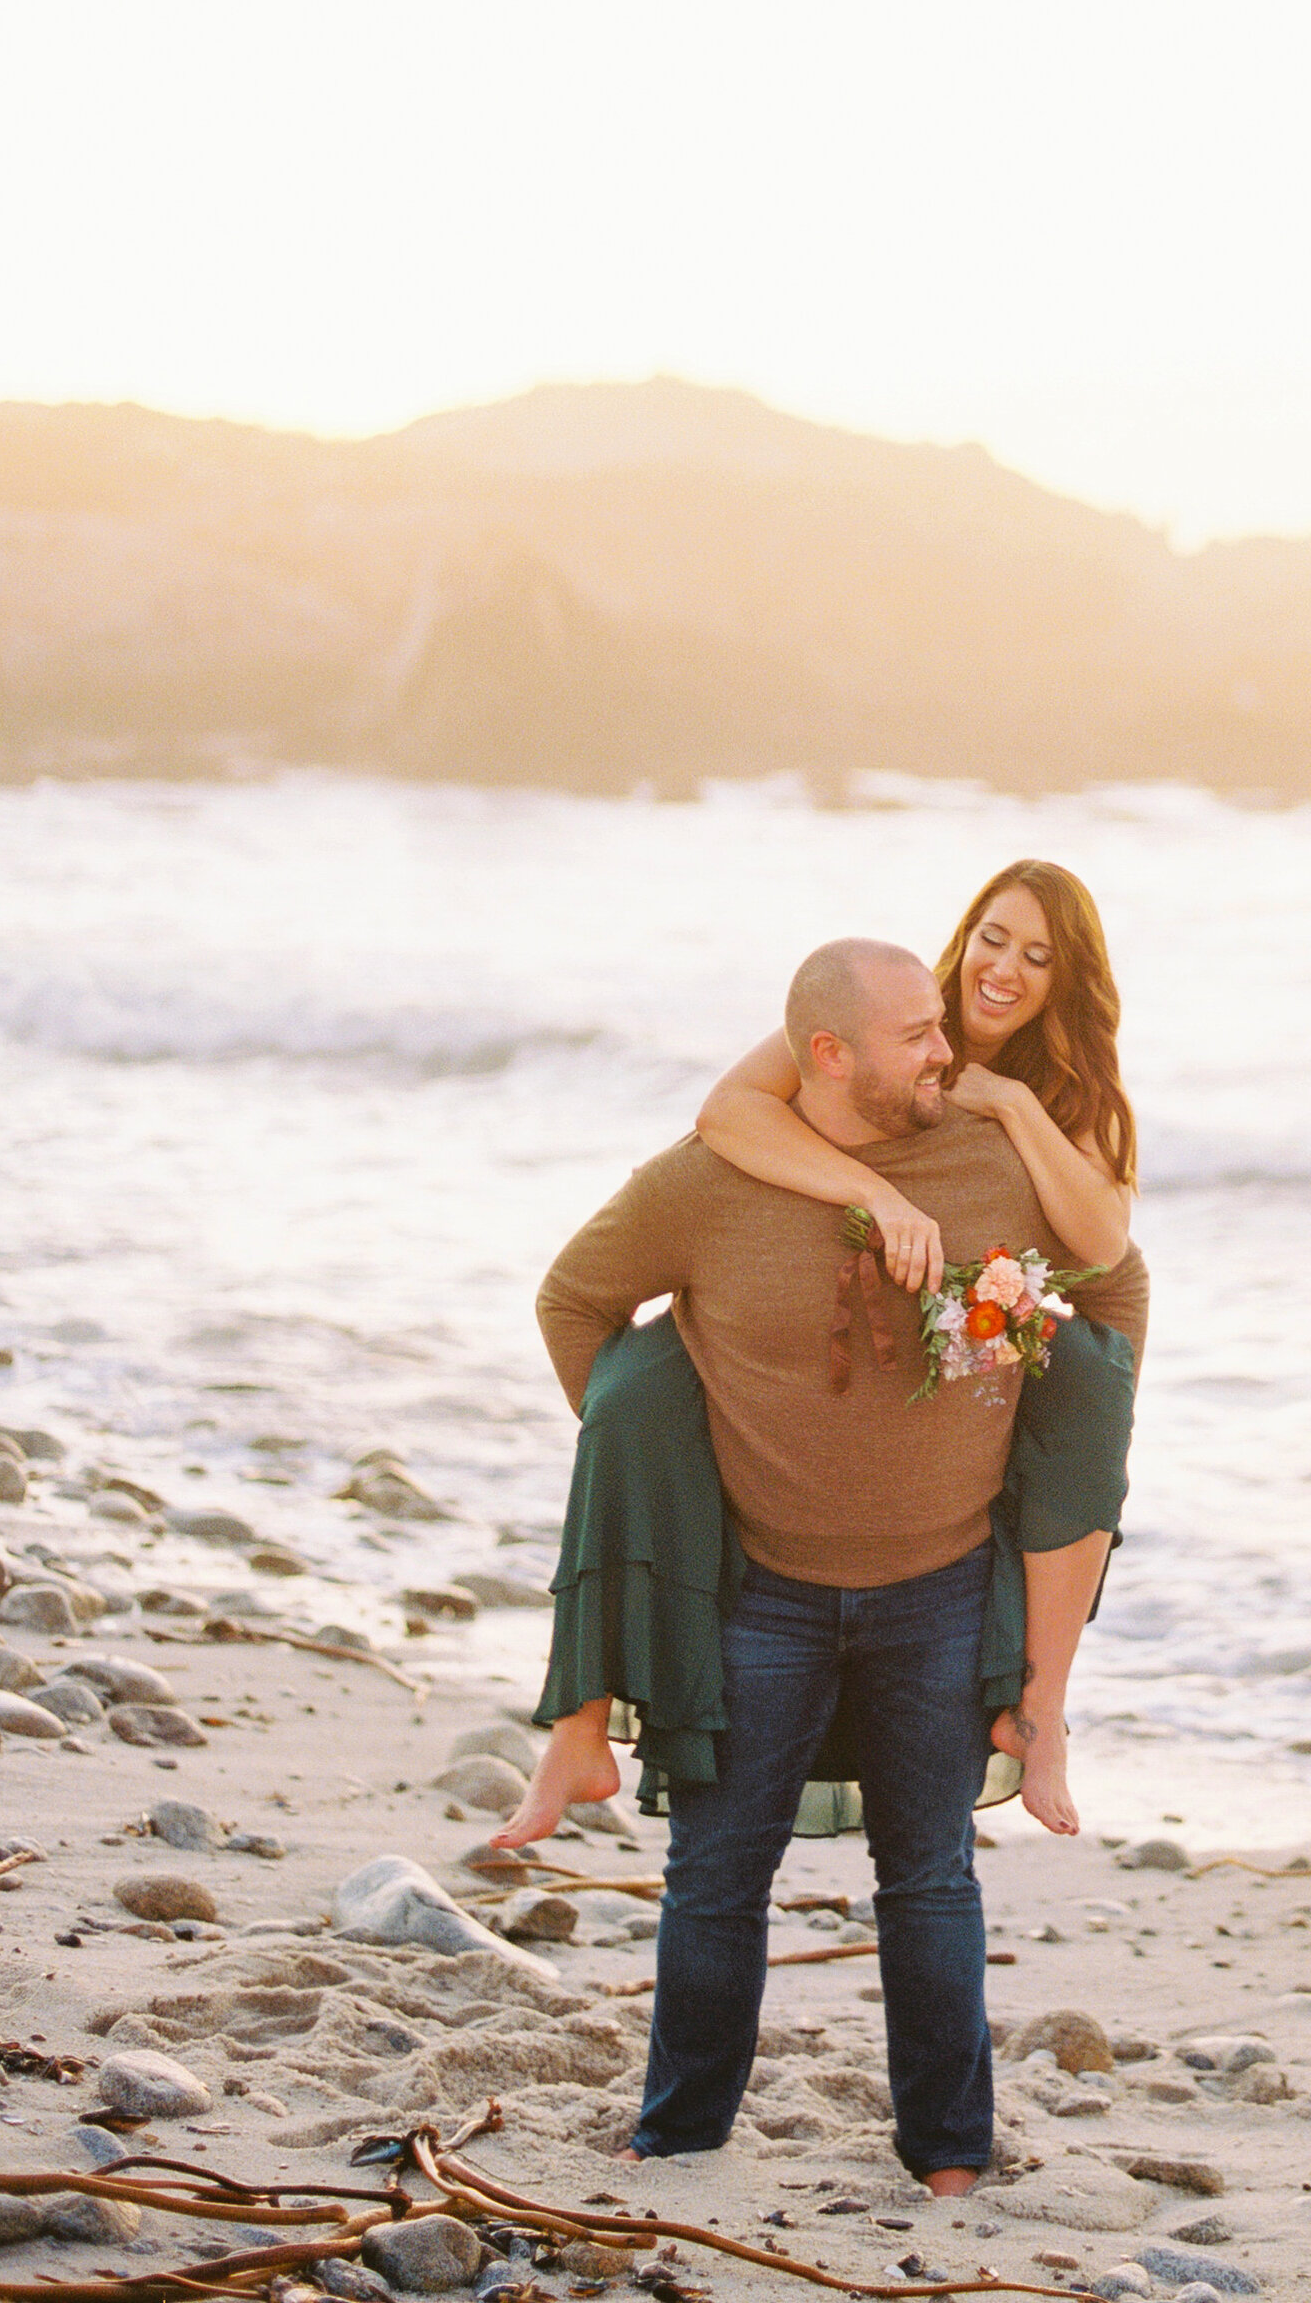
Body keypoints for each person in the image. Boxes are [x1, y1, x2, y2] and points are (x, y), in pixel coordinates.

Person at [532, 933, 1151, 2183]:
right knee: (715, 1878)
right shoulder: (703, 1184)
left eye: (942, 1024)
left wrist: (1058, 1415)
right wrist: (659, 1459)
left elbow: (1118, 1287)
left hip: (937, 1591)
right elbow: (572, 1301)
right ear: (827, 1055)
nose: (950, 1049)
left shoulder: (988, 1160)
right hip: (759, 1594)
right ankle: (681, 2135)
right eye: (919, 1034)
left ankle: (949, 2154)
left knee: (929, 1883)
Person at [498, 861, 1139, 1848]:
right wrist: (871, 1195)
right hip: (778, 1294)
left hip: (965, 1349)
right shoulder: (887, 1008)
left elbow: (1101, 1245)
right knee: (632, 1399)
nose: (1002, 969)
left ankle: (1043, 1715)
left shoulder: (1069, 1093)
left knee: (1094, 1388)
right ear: (962, 936)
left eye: (1038, 956)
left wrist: (1012, 1106)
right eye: (992, 937)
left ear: (1070, 980)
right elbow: (729, 1113)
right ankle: (579, 1722)